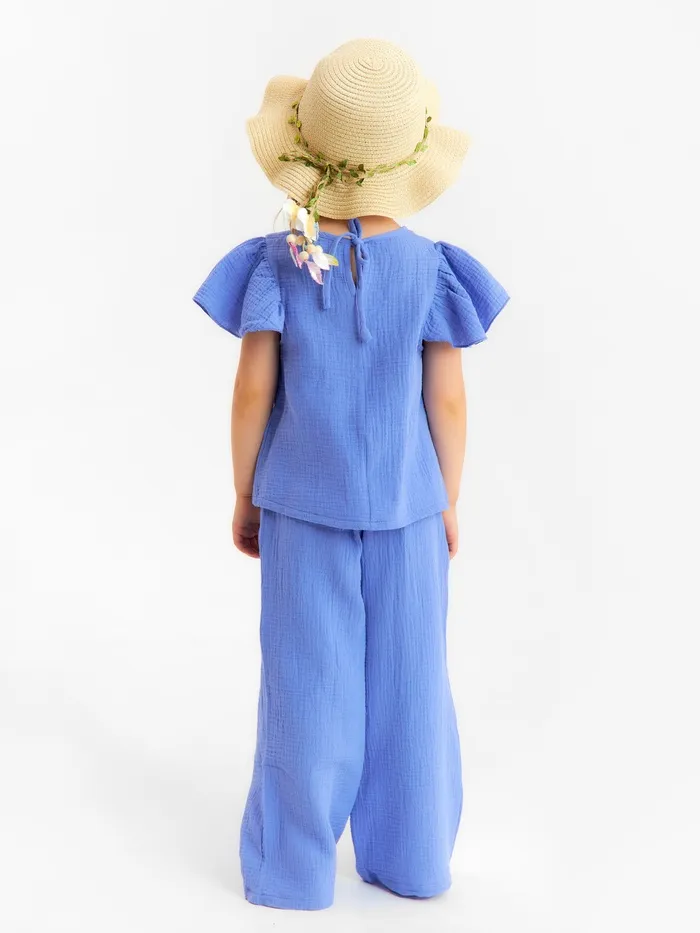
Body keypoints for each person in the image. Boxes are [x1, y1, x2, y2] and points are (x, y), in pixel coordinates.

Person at [192, 37, 510, 911]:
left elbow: (252, 389)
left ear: (310, 146)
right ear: (409, 154)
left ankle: (292, 872)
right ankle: (411, 857)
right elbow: (447, 400)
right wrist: (447, 497)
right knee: (412, 686)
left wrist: (244, 489)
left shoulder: (278, 260)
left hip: (300, 506)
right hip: (409, 510)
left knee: (304, 687)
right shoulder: (432, 267)